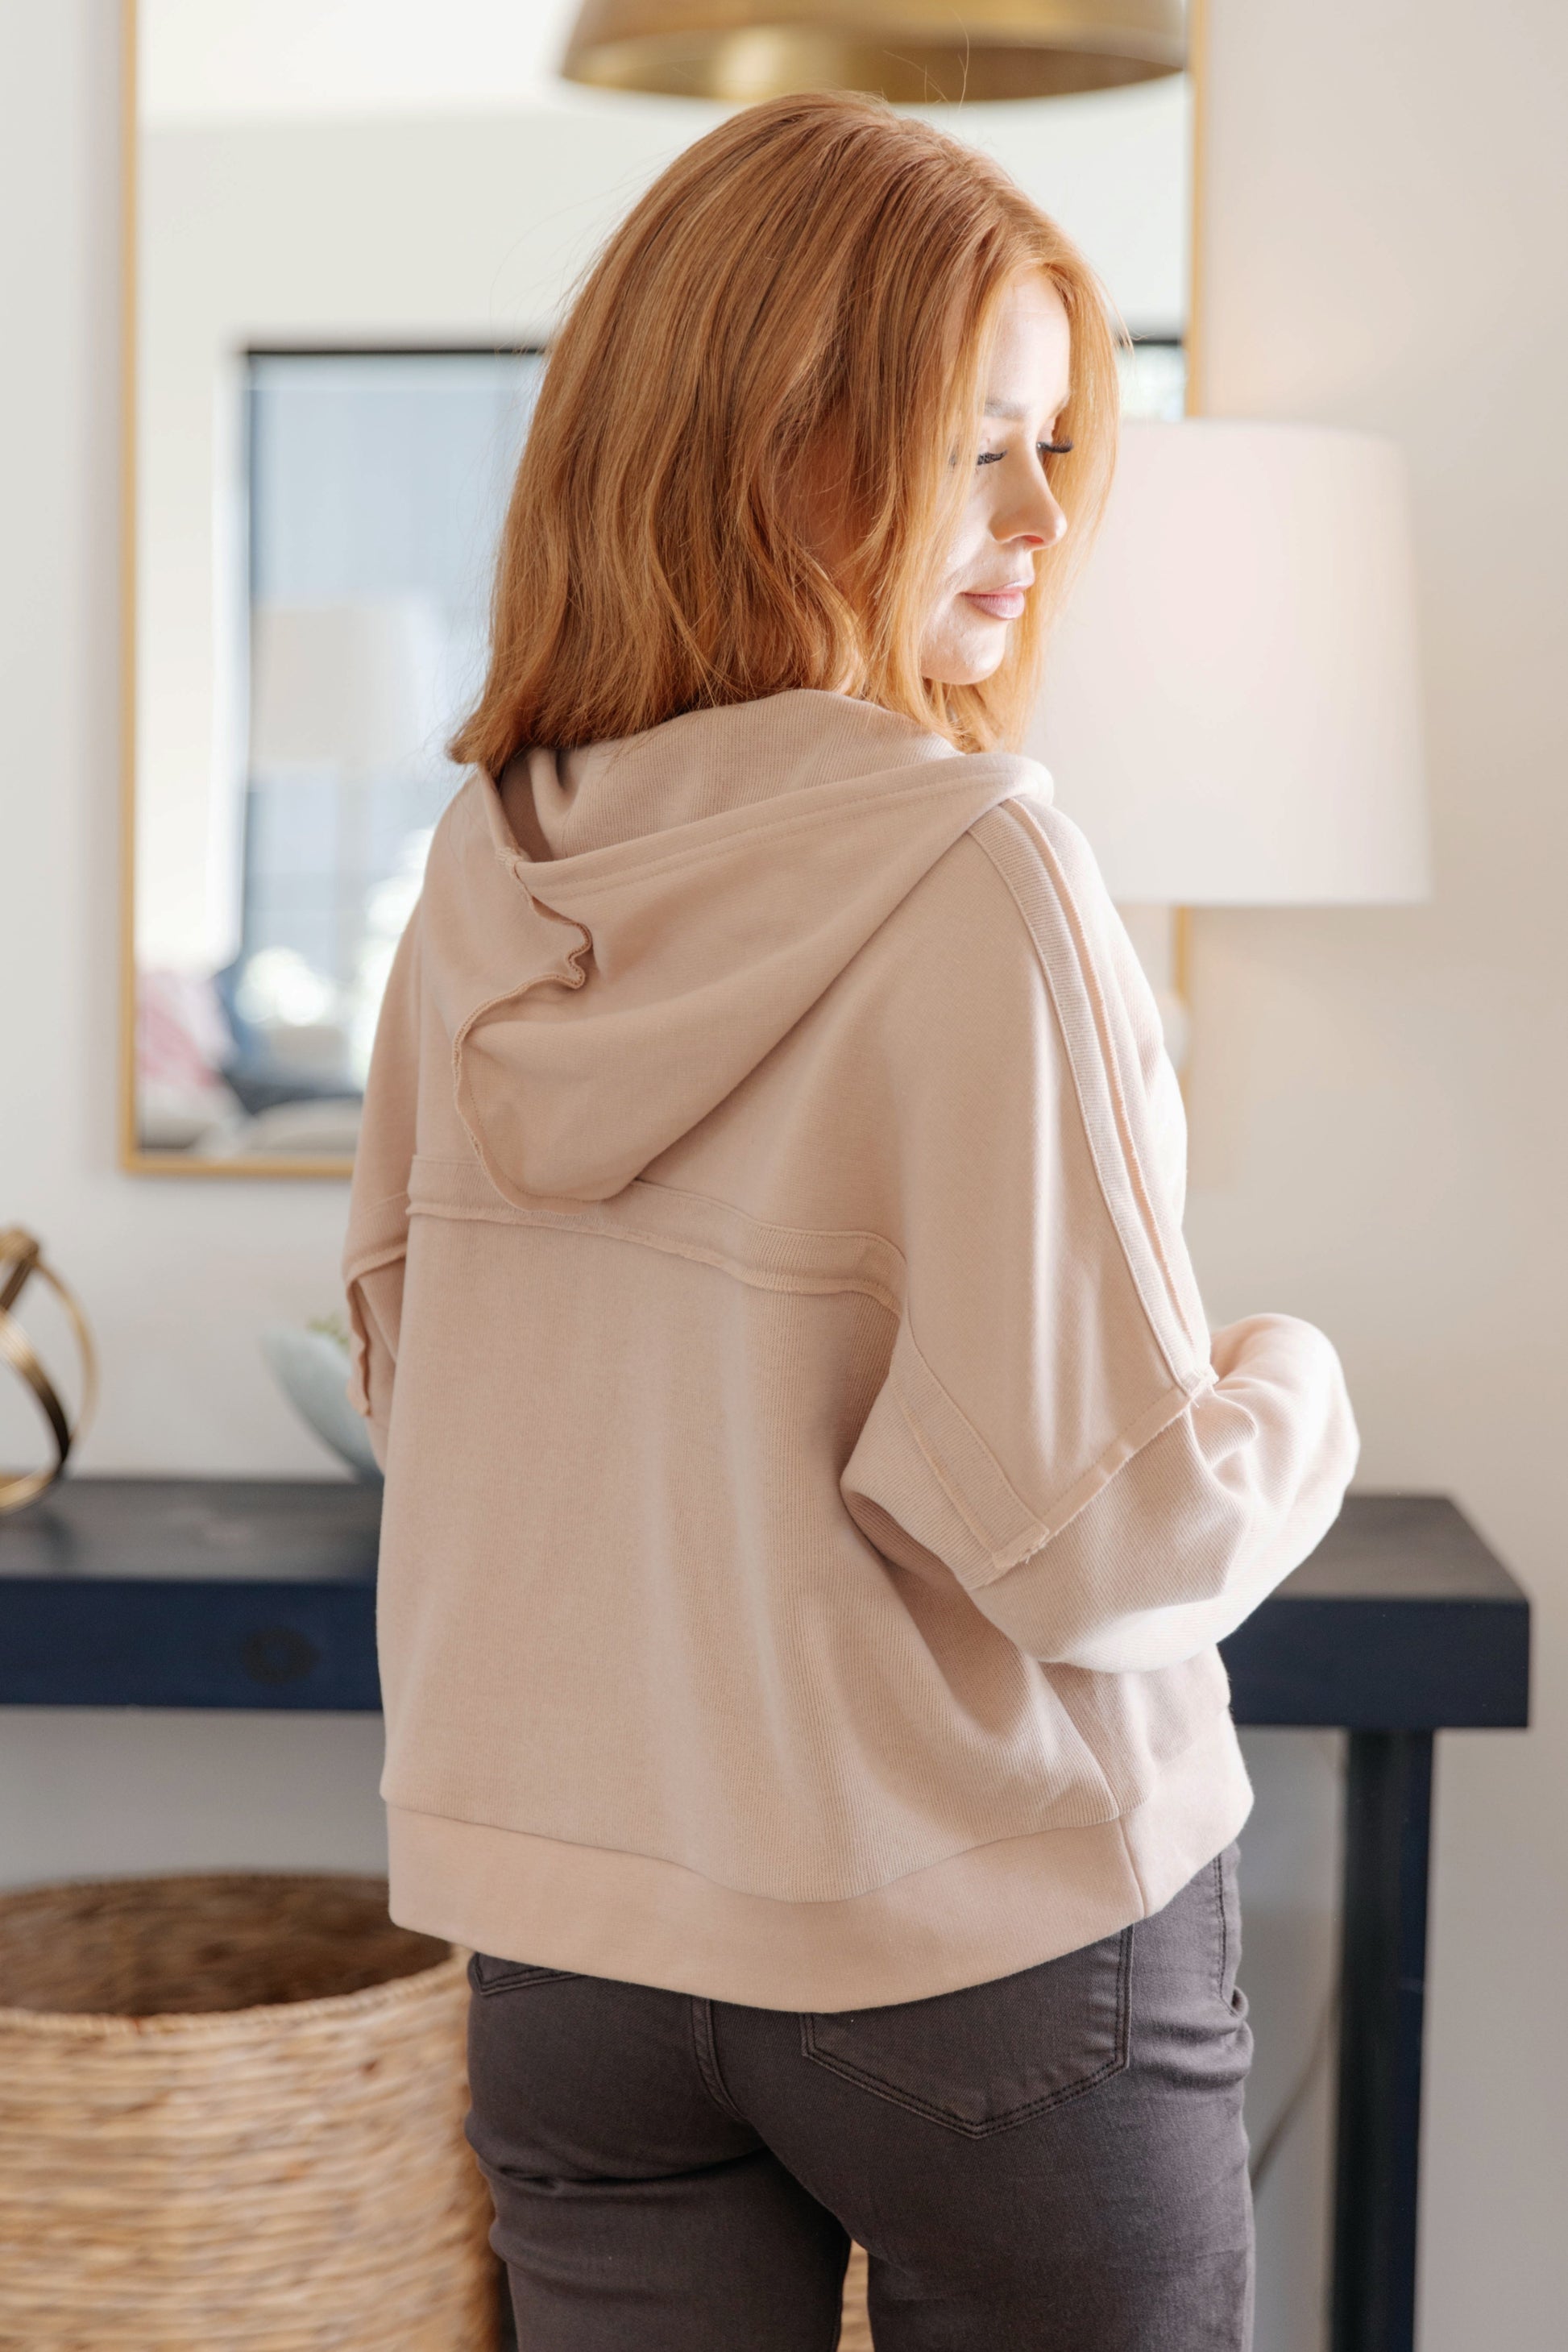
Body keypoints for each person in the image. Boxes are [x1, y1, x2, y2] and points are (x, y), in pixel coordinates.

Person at [341, 89, 1359, 2352]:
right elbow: (1104, 1539)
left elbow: (427, 1401)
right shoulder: (974, 864)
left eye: (1052, 445)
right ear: (768, 447)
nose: (1041, 517)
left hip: (579, 1947)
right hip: (979, 1952)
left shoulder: (487, 863)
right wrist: (1296, 1393)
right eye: (974, 445)